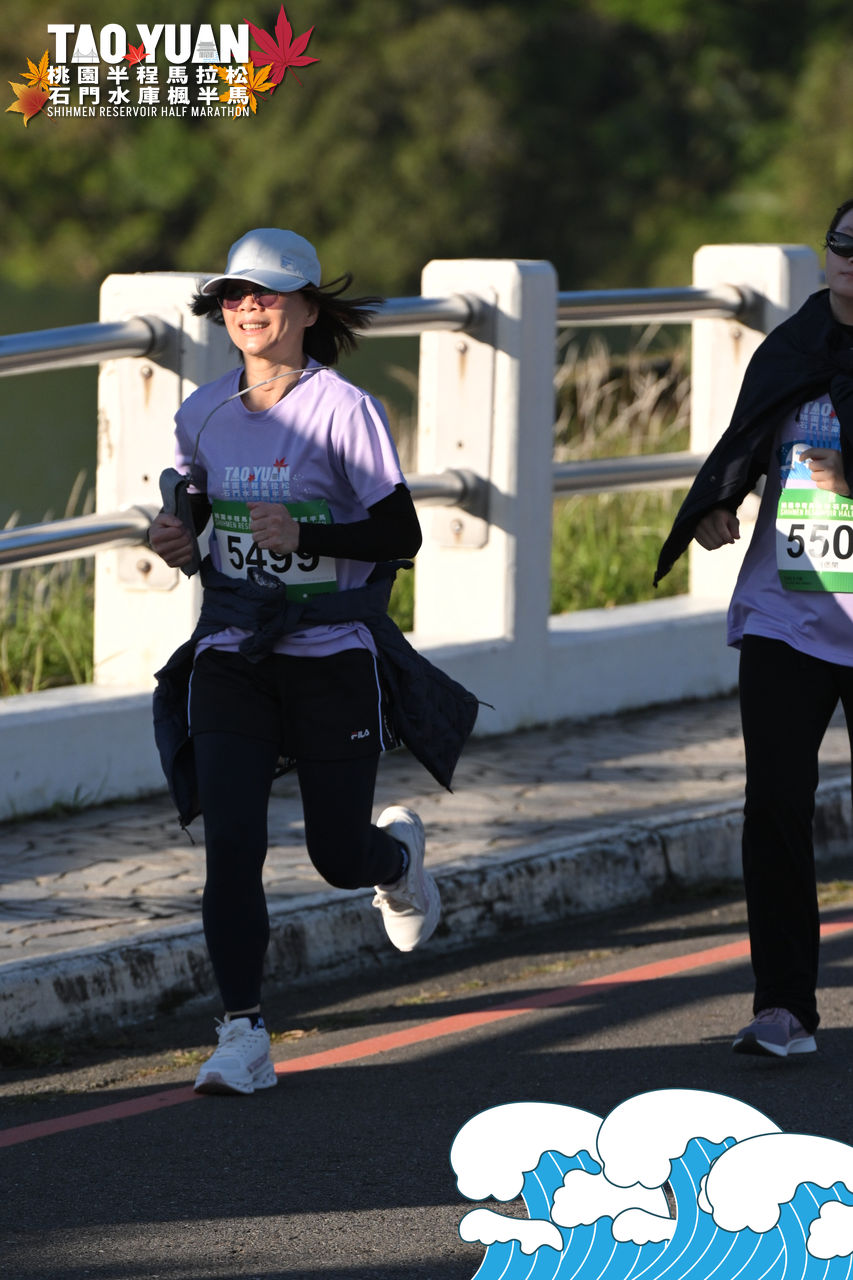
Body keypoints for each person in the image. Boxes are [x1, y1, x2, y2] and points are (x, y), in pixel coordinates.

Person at [148, 228, 478, 1095]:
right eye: (234, 295)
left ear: (304, 309)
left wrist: (308, 535)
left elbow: (400, 533)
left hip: (330, 653)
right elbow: (194, 510)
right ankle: (243, 1034)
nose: (248, 308)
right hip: (233, 650)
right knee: (231, 842)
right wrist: (176, 536)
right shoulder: (201, 412)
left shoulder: (343, 410)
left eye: (266, 294)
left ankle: (394, 862)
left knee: (336, 854)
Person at [655, 199, 853, 1058]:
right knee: (773, 804)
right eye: (842, 244)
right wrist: (716, 504)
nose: (851, 260)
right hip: (788, 614)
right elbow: (746, 441)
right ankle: (782, 1007)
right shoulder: (792, 348)